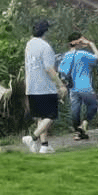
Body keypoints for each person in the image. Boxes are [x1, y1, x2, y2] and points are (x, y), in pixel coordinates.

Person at [21, 19, 60, 154]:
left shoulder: (29, 45)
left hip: (31, 87)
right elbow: (49, 68)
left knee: (41, 118)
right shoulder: (45, 47)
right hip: (44, 87)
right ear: (46, 31)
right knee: (51, 115)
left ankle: (44, 146)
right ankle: (32, 138)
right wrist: (60, 85)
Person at [58, 32, 98, 140]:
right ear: (78, 42)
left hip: (72, 88)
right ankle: (84, 124)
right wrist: (91, 44)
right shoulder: (83, 54)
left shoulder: (66, 56)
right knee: (93, 105)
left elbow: (61, 72)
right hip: (85, 86)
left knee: (75, 111)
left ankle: (78, 133)